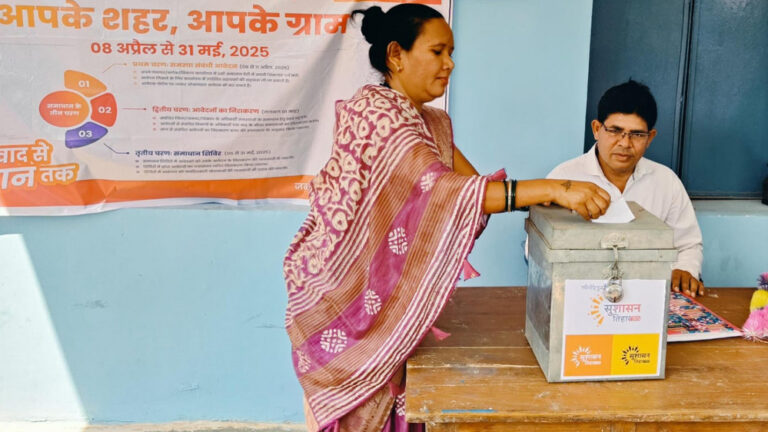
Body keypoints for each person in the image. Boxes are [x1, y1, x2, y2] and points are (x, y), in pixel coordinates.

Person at [282, 5, 611, 432]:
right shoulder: (378, 115)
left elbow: (469, 190)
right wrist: (555, 188)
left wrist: (548, 202)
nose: (449, 64)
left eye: (451, 53)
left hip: (383, 303)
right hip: (345, 302)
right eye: (437, 51)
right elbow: (445, 191)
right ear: (396, 55)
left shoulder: (428, 121)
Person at [547, 79, 704, 297]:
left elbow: (688, 245)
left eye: (637, 134)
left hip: (647, 295)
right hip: (580, 295)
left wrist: (685, 270)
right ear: (596, 129)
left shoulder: (666, 182)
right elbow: (536, 248)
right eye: (615, 130)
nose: (625, 143)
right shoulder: (564, 178)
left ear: (650, 138)